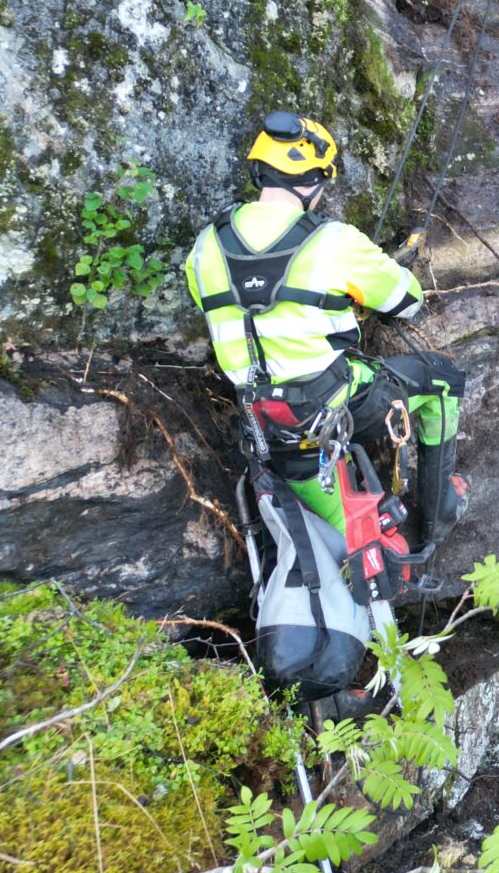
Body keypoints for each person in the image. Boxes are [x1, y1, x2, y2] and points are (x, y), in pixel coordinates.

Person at [184, 112, 468, 553]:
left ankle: (363, 542)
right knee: (446, 379)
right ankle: (439, 513)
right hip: (334, 403)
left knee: (348, 542)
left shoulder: (205, 245)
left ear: (260, 171)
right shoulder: (334, 239)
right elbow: (408, 300)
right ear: (313, 180)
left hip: (264, 422)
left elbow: (235, 311)